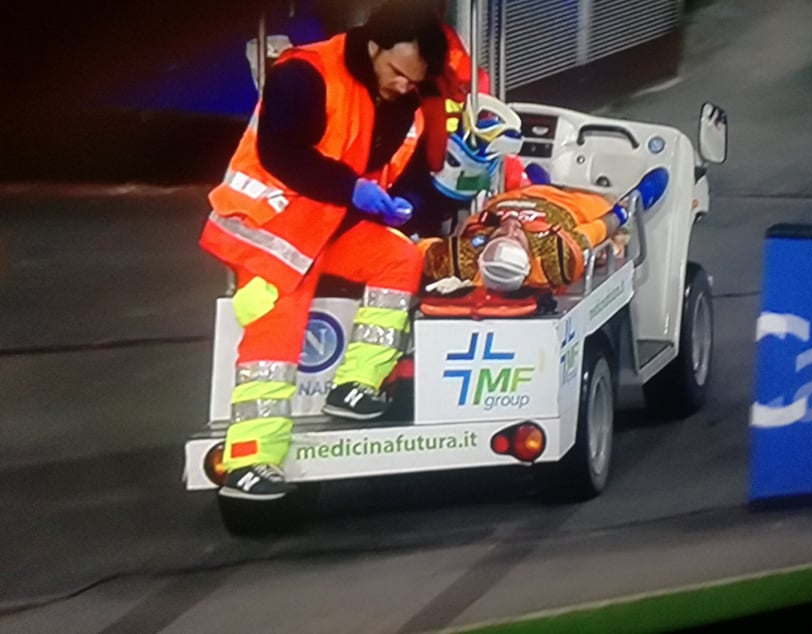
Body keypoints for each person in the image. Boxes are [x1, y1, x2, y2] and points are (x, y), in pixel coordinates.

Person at [199, 0, 451, 500]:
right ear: (374, 46)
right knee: (273, 338)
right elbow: (281, 153)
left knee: (399, 259)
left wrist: (404, 203)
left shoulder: (400, 99)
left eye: (414, 80)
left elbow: (405, 170)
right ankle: (249, 461)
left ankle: (356, 386)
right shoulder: (305, 74)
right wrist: (351, 189)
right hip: (267, 229)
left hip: (327, 227)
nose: (405, 85)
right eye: (399, 73)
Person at [418, 183, 630, 294]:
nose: (510, 226)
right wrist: (620, 214)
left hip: (512, 195)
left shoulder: (463, 260)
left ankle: (536, 180)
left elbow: (420, 251)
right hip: (569, 204)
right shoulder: (553, 256)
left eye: (500, 235)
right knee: (609, 204)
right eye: (516, 237)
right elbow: (597, 229)